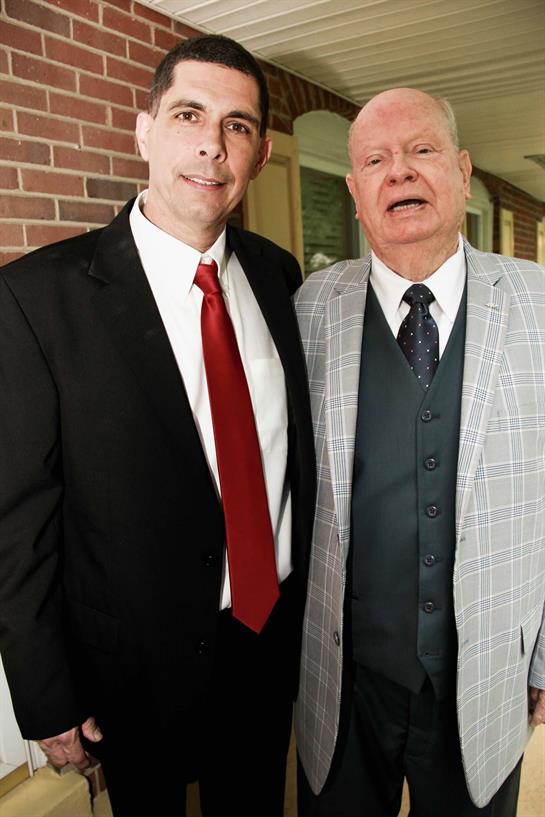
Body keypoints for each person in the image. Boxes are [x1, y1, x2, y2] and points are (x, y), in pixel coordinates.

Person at [0, 34, 315, 817]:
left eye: (237, 125)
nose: (212, 143)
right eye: (188, 114)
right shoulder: (37, 298)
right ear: (144, 130)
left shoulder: (279, 277)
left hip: (266, 637)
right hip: (129, 666)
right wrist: (44, 696)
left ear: (261, 152)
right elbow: (18, 520)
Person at [294, 87, 545, 817]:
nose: (398, 172)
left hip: (483, 679)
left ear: (462, 172)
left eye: (421, 151)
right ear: (355, 191)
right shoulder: (308, 308)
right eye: (375, 159)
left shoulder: (539, 305)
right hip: (341, 684)